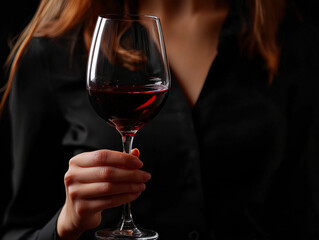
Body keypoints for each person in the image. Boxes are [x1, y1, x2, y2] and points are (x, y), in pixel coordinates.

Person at [1, 0, 319, 239]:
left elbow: (299, 213)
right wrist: (66, 222)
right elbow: (19, 230)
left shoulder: (287, 37)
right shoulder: (54, 46)